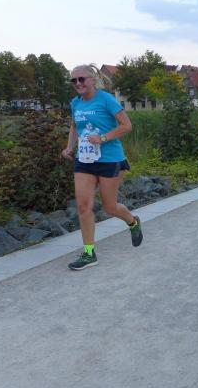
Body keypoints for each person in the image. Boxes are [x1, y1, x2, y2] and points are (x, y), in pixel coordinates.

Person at [61, 64, 143, 270]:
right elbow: (74, 126)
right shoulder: (75, 103)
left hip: (109, 159)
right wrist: (69, 147)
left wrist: (103, 138)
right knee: (83, 206)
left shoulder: (106, 99)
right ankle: (89, 253)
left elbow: (126, 126)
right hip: (84, 160)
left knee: (109, 207)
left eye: (81, 79)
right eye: (73, 80)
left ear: (92, 80)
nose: (77, 83)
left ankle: (132, 221)